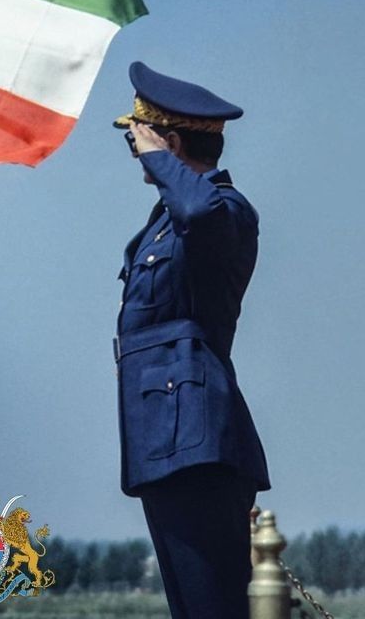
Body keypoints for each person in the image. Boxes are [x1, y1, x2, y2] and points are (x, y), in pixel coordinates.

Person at [112, 61, 270, 619]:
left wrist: (158, 155)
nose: (137, 156)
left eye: (141, 144)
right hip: (165, 439)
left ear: (171, 141)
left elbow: (198, 210)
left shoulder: (222, 210)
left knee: (215, 610)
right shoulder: (166, 220)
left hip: (197, 441)